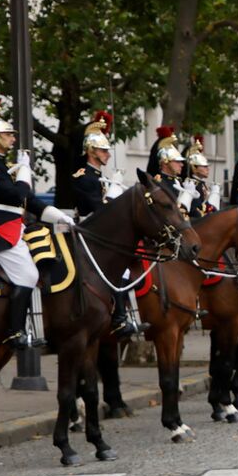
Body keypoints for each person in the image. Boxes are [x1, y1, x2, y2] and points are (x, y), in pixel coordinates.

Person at [0, 96, 70, 348]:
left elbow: (30, 202)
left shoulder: (3, 165)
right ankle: (15, 332)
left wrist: (60, 216)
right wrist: (25, 171)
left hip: (13, 227)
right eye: (8, 135)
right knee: (27, 274)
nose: (13, 139)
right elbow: (16, 195)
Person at [60, 112, 142, 339]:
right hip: (89, 232)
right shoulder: (83, 176)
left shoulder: (98, 177)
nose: (107, 154)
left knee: (126, 269)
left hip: (103, 234)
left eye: (107, 150)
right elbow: (96, 208)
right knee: (117, 271)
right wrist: (113, 196)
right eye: (104, 150)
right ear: (91, 151)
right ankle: (118, 319)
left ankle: (124, 316)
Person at [186, 137, 217, 219]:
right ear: (194, 168)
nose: (207, 169)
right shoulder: (193, 184)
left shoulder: (201, 183)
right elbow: (195, 208)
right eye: (204, 167)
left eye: (207, 166)